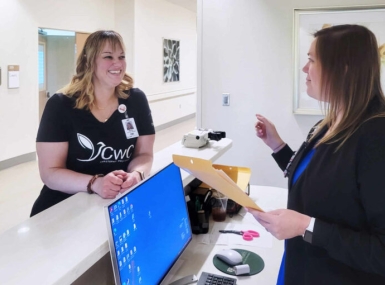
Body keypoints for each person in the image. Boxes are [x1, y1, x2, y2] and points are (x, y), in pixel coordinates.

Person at [250, 25, 385, 284]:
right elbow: (316, 180)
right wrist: (277, 146)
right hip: (301, 267)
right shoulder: (328, 123)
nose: (304, 69)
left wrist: (306, 227)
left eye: (311, 60)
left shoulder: (376, 136)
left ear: (343, 68)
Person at [31, 30, 155, 216]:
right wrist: (94, 183)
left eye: (121, 56)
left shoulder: (135, 100)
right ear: (89, 62)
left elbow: (144, 154)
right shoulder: (61, 105)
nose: (118, 63)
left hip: (115, 203)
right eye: (108, 56)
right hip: (63, 208)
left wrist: (136, 174)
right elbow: (50, 173)